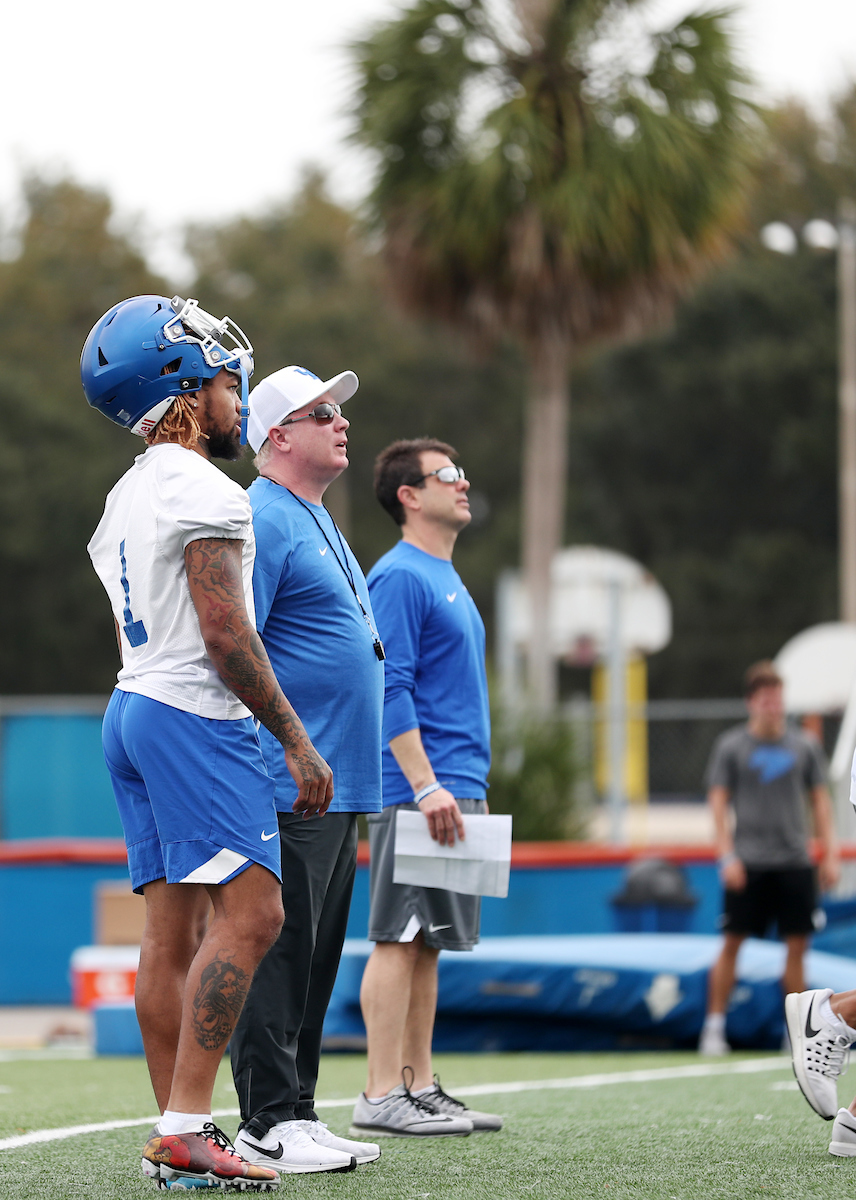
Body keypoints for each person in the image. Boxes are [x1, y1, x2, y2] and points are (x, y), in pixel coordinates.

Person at [82, 295, 333, 1192]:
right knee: (256, 914)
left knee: (171, 931)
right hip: (192, 713)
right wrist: (296, 741)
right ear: (186, 387)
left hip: (133, 707)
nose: (238, 398)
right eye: (227, 382)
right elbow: (227, 633)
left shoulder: (128, 491)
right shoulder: (205, 488)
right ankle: (187, 1128)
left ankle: (177, 1137)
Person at [227, 366, 384, 1173]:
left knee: (317, 956)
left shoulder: (312, 514)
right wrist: (283, 746)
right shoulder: (262, 515)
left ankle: (298, 1111)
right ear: (278, 435)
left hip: (337, 778)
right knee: (281, 952)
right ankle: (264, 1121)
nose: (341, 421)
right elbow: (235, 643)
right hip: (290, 779)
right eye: (322, 412)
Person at [349, 438, 502, 1139]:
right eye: (447, 475)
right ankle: (380, 1092)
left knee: (431, 939)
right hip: (421, 788)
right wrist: (426, 783)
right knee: (400, 934)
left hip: (455, 781)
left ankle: (419, 1085)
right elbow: (389, 685)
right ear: (409, 496)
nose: (462, 483)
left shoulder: (445, 574)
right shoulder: (400, 576)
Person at [698, 660, 839, 1057]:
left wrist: (828, 854)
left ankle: (794, 1032)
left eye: (777, 699)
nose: (773, 707)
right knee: (732, 944)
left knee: (797, 948)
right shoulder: (731, 747)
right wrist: (727, 856)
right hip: (748, 864)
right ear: (751, 702)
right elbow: (717, 803)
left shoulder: (804, 745)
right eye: (765, 699)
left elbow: (821, 802)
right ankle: (713, 1028)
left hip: (794, 862)